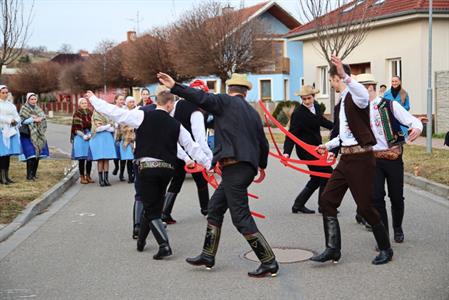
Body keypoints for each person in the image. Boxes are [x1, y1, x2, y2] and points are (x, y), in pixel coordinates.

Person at [158, 72, 279, 278]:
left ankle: (269, 261)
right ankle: (208, 255)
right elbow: (263, 143)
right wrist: (260, 165)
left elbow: (201, 98)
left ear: (229, 89)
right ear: (245, 91)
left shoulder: (225, 102)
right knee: (214, 208)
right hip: (244, 168)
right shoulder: (252, 112)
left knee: (240, 217)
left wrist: (175, 86)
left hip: (234, 167)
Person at [86, 89, 211, 260]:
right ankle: (141, 242)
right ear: (168, 103)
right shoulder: (176, 124)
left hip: (147, 168)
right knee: (152, 205)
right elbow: (190, 146)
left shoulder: (142, 116)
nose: (173, 106)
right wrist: (208, 164)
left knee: (150, 207)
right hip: (167, 169)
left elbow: (115, 113)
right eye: (173, 103)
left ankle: (164, 245)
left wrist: (94, 99)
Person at [311, 55, 393, 266]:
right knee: (327, 201)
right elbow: (344, 135)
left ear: (336, 78)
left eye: (331, 80)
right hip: (346, 158)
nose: (330, 84)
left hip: (361, 159)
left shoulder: (357, 96)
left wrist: (345, 74)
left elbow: (362, 93)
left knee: (365, 206)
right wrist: (327, 145)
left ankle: (385, 248)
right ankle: (332, 249)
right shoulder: (342, 102)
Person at [357, 73, 422, 243]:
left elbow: (414, 122)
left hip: (392, 157)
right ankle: (384, 234)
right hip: (373, 160)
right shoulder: (358, 111)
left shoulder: (389, 105)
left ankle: (397, 228)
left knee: (396, 197)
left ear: (369, 88)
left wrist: (417, 129)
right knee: (377, 197)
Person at [161, 80, 213, 224]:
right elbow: (200, 139)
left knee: (176, 180)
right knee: (201, 180)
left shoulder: (175, 105)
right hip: (191, 151)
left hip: (176, 149)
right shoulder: (196, 111)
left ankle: (165, 212)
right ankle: (206, 209)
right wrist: (209, 157)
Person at [283, 85, 334, 214]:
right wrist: (286, 153)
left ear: (313, 97)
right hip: (305, 151)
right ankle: (324, 206)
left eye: (309, 98)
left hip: (317, 149)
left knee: (317, 177)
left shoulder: (316, 107)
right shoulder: (298, 114)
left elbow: (320, 120)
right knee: (327, 173)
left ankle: (298, 205)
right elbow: (291, 135)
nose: (307, 101)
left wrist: (336, 128)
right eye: (304, 99)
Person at [19, 93, 50, 180]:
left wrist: (40, 119)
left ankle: (34, 174)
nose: (33, 101)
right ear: (28, 100)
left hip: (38, 134)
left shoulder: (38, 109)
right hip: (27, 135)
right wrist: (32, 119)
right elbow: (21, 121)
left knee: (37, 155)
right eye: (31, 99)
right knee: (31, 155)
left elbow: (43, 119)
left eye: (34, 99)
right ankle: (29, 175)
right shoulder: (24, 108)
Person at [89, 108, 117, 187]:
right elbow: (98, 129)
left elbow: (112, 129)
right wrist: (108, 125)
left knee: (107, 159)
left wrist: (106, 127)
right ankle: (101, 180)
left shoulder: (108, 115)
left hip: (107, 139)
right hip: (98, 139)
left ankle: (106, 179)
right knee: (100, 159)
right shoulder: (95, 116)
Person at [0, 85, 21, 184]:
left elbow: (17, 116)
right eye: (3, 92)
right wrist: (9, 120)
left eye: (6, 92)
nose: (5, 94)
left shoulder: (10, 105)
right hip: (1, 131)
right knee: (2, 154)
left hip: (11, 131)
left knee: (7, 155)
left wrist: (16, 121)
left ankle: (6, 176)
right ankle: (2, 177)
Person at [70, 98, 94, 184]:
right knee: (82, 158)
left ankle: (88, 175)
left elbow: (94, 125)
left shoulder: (90, 112)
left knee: (89, 158)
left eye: (86, 103)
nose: (85, 104)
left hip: (89, 135)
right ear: (79, 104)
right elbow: (76, 127)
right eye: (82, 103)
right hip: (80, 136)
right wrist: (83, 135)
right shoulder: (77, 113)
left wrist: (91, 133)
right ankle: (82, 177)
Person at [116, 96, 136, 183]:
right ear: (127, 103)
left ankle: (131, 176)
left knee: (131, 159)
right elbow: (121, 127)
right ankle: (123, 174)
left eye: (133, 102)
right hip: (125, 139)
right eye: (130, 102)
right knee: (125, 159)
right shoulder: (124, 113)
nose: (132, 103)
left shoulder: (136, 112)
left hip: (134, 139)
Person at [111, 94, 126, 180]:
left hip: (124, 134)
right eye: (120, 99)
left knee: (123, 155)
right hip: (115, 133)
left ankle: (121, 174)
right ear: (116, 100)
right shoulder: (112, 109)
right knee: (116, 155)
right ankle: (116, 167)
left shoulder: (125, 109)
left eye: (122, 99)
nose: (122, 101)